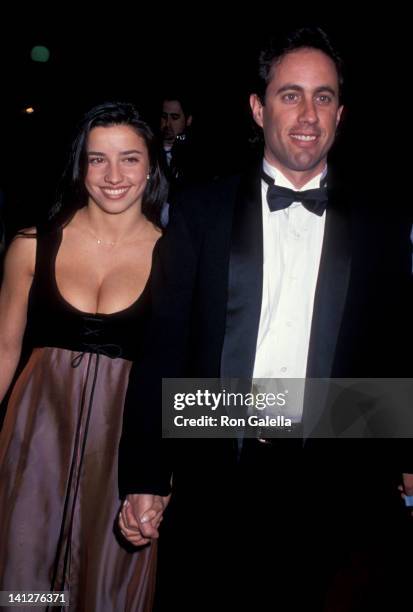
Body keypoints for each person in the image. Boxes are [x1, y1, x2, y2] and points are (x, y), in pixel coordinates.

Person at [119, 28, 413, 610]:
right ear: (258, 107)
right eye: (290, 95)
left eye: (323, 97)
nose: (308, 114)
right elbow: (164, 347)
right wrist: (146, 475)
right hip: (217, 471)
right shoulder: (202, 210)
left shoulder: (380, 222)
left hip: (334, 479)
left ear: (341, 112)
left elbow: (398, 344)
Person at [0, 101, 168, 611]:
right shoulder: (31, 245)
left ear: (151, 165)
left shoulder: (177, 257)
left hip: (125, 454)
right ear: (80, 165)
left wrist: (161, 478)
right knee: (20, 580)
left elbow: (180, 376)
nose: (113, 176)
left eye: (129, 159)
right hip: (34, 443)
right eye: (98, 159)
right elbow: (5, 350)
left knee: (107, 591)